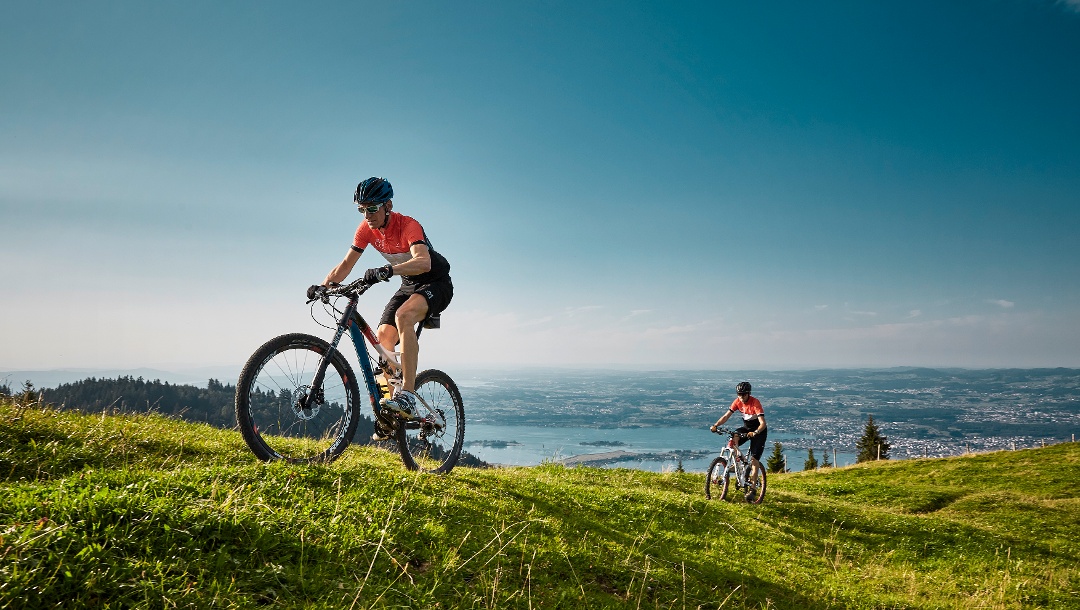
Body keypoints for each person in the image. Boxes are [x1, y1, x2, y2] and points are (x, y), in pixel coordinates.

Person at [309, 177, 453, 440]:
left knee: (404, 316)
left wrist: (388, 269)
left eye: (372, 208)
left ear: (388, 205)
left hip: (436, 281)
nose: (367, 215)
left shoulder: (408, 225)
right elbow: (345, 265)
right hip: (409, 284)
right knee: (382, 340)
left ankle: (408, 395)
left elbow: (422, 262)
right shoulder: (366, 229)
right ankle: (390, 414)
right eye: (361, 209)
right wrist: (324, 285)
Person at [710, 381, 769, 468]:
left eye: (743, 394)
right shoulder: (737, 401)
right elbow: (726, 416)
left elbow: (763, 423)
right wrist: (715, 425)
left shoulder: (755, 403)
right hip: (747, 428)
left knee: (754, 460)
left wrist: (755, 432)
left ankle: (753, 482)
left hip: (759, 432)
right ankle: (738, 460)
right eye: (739, 394)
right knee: (733, 438)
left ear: (748, 393)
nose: (741, 396)